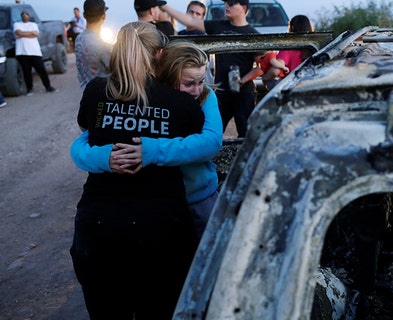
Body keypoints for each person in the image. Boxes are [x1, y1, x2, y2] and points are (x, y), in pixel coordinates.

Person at [70, 22, 204, 319]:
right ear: (159, 55)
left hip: (98, 228)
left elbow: (86, 130)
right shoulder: (181, 103)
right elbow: (205, 141)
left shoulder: (96, 90)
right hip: (161, 231)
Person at [71, 40, 223, 238]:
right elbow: (85, 141)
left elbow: (211, 142)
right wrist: (104, 157)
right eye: (188, 83)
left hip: (198, 196)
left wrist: (152, 150)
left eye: (201, 81)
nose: (196, 89)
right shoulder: (151, 98)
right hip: (158, 203)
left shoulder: (205, 96)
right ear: (168, 76)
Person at [161, 0, 264, 138]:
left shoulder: (252, 34)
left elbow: (262, 66)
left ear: (243, 8)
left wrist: (243, 80)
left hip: (244, 93)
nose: (226, 5)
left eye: (232, 3)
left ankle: (241, 159)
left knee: (246, 135)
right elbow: (190, 21)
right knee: (210, 131)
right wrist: (163, 6)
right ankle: (213, 157)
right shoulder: (218, 26)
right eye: (226, 2)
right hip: (221, 91)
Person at [261, 15, 314, 90]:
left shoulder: (289, 48)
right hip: (310, 86)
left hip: (291, 87)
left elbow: (275, 71)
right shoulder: (314, 47)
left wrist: (265, 77)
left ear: (292, 28)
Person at [13, 11, 58, 95]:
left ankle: (48, 87)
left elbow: (35, 34)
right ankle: (29, 89)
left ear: (29, 16)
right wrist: (30, 33)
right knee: (27, 72)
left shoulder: (33, 24)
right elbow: (18, 32)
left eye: (26, 15)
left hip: (35, 52)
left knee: (42, 70)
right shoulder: (17, 24)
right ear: (21, 17)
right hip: (23, 52)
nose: (25, 16)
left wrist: (22, 35)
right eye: (23, 15)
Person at [75, 0, 112, 90]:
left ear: (84, 15)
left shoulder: (78, 39)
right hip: (102, 96)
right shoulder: (102, 45)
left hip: (86, 93)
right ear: (104, 16)